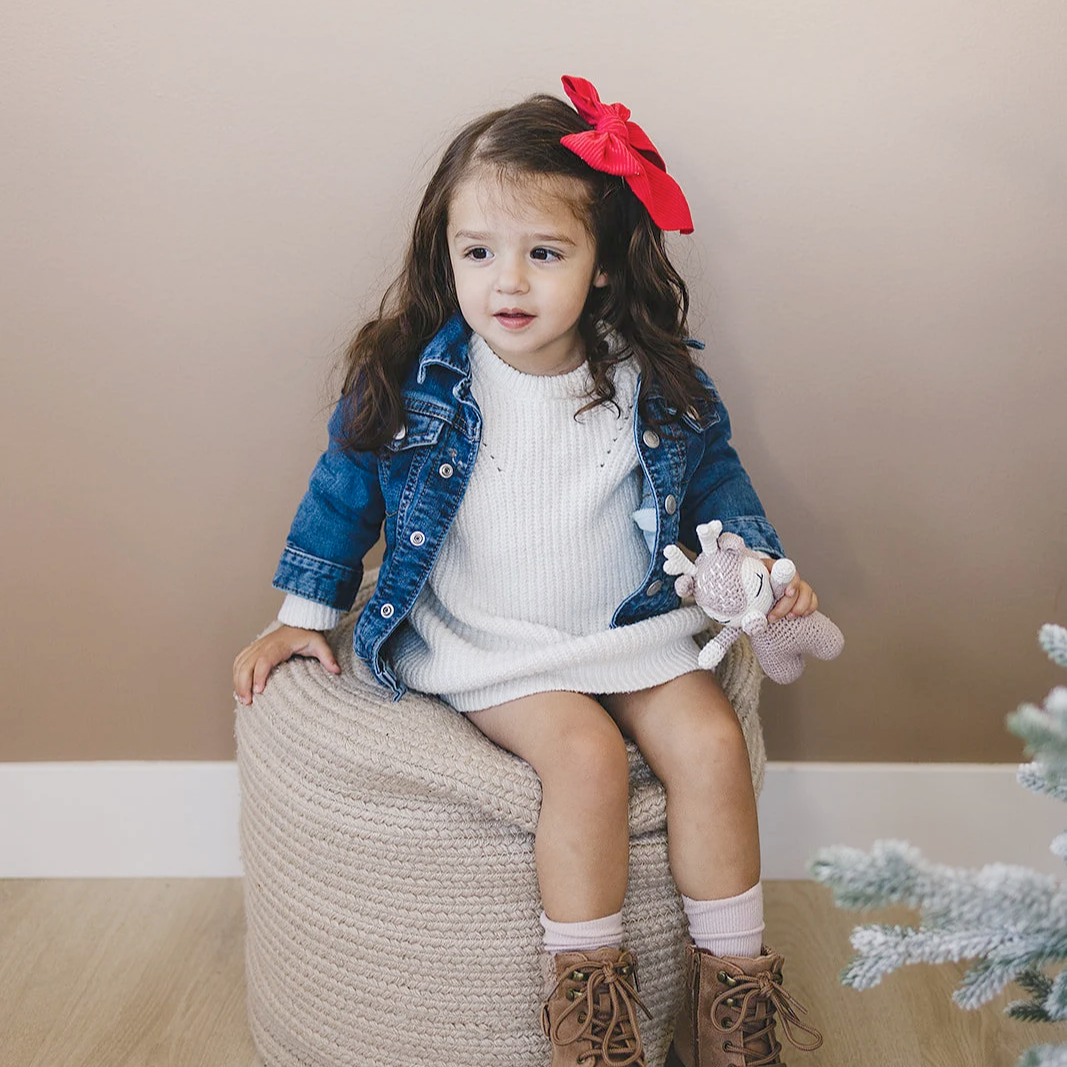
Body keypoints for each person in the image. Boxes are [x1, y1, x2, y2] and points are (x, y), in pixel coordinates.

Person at [233, 75, 825, 1067]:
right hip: (492, 645)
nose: (506, 282)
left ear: (600, 266)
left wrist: (758, 562)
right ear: (447, 255)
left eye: (543, 253)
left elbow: (713, 483)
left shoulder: (650, 377)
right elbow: (343, 494)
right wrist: (301, 610)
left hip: (630, 627)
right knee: (585, 759)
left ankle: (732, 1003)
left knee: (712, 739)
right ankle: (589, 1015)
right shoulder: (416, 377)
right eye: (478, 253)